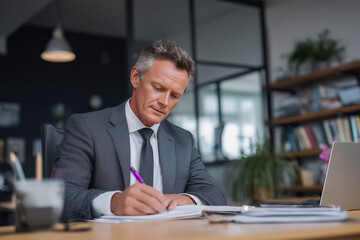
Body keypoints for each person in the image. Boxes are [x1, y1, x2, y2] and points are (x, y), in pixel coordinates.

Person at [53, 40, 227, 221]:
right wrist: (114, 202)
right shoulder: (87, 128)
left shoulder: (183, 140)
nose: (165, 102)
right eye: (158, 88)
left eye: (175, 96)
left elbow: (214, 195)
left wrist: (183, 199)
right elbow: (61, 197)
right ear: (136, 77)